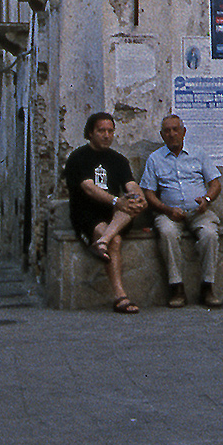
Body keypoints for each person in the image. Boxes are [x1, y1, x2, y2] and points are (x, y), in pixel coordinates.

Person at [64, 113, 144, 313]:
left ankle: (101, 242)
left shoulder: (118, 160)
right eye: (101, 131)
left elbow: (131, 184)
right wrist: (118, 200)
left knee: (131, 206)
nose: (107, 135)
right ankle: (120, 296)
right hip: (86, 214)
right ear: (90, 133)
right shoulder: (78, 157)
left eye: (110, 131)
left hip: (115, 215)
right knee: (115, 241)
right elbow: (89, 188)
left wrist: (138, 196)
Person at [140, 114, 223, 308]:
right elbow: (149, 193)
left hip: (199, 212)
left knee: (210, 234)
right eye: (167, 131)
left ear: (184, 132)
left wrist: (207, 199)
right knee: (167, 232)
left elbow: (215, 183)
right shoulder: (155, 159)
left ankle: (207, 287)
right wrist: (167, 209)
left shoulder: (198, 153)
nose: (172, 134)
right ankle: (176, 287)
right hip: (169, 213)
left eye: (175, 129)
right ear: (162, 135)